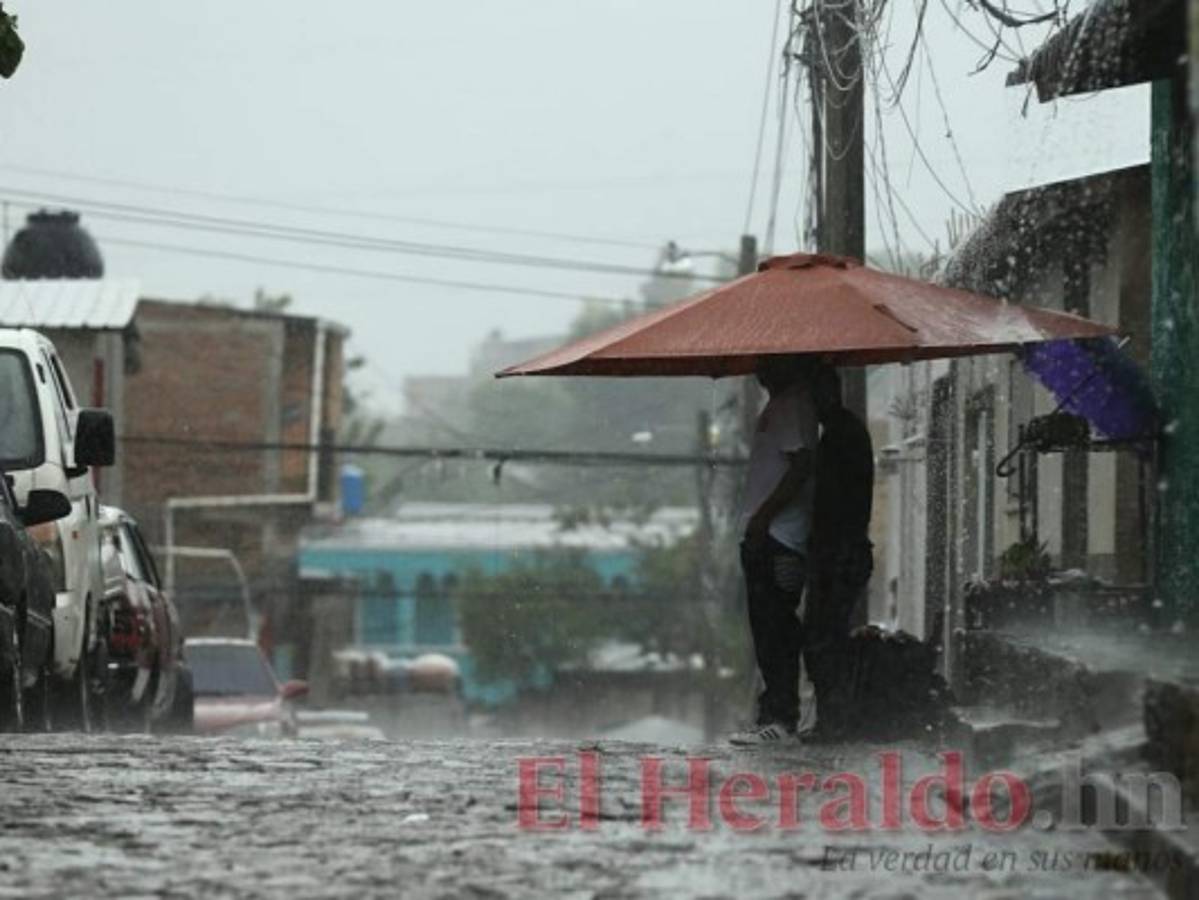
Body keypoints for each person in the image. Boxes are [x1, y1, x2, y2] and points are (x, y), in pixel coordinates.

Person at [729, 356, 818, 746]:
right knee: (766, 629)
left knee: (776, 627)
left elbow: (801, 467)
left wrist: (764, 517)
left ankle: (781, 718)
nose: (758, 369)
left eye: (767, 361)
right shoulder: (781, 406)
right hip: (767, 536)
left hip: (779, 538)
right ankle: (773, 714)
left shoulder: (793, 406)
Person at [803, 363, 875, 740]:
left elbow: (831, 501)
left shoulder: (839, 436)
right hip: (843, 551)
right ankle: (834, 718)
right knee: (825, 636)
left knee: (823, 637)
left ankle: (834, 720)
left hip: (839, 553)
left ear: (827, 392)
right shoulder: (843, 432)